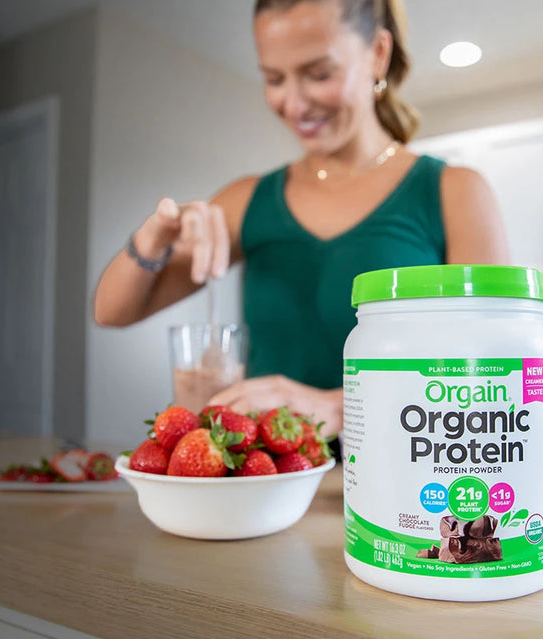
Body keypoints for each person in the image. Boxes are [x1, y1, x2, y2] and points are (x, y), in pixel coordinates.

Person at [91, 0, 510, 437]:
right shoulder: (248, 198)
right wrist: (155, 236)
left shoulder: (453, 190)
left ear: (378, 55)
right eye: (273, 78)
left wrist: (337, 406)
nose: (292, 103)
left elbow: (497, 373)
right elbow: (110, 311)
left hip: (414, 481)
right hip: (266, 488)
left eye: (319, 74)